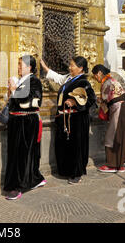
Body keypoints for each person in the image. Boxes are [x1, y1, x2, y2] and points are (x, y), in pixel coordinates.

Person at [41, 56, 96, 184]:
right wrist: (44, 67)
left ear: (81, 68)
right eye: (70, 65)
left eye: (72, 65)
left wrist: (76, 103)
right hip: (64, 118)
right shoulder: (69, 79)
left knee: (76, 147)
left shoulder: (84, 82)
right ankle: (65, 170)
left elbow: (91, 100)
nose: (69, 67)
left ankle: (77, 173)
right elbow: (57, 77)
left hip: (76, 119)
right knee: (64, 145)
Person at [3, 55, 46, 200]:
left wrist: (15, 89)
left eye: (21, 65)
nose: (19, 67)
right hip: (17, 121)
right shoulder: (23, 80)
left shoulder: (34, 81)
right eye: (19, 64)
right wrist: (11, 91)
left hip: (26, 121)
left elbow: (31, 99)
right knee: (18, 153)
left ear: (30, 67)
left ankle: (17, 186)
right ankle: (34, 179)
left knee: (21, 154)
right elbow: (13, 99)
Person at [92, 64, 125, 173]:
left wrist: (98, 101)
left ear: (100, 73)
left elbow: (106, 101)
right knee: (122, 136)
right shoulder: (112, 80)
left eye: (95, 75)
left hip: (118, 109)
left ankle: (112, 165)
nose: (95, 78)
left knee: (112, 137)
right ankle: (120, 164)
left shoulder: (107, 82)